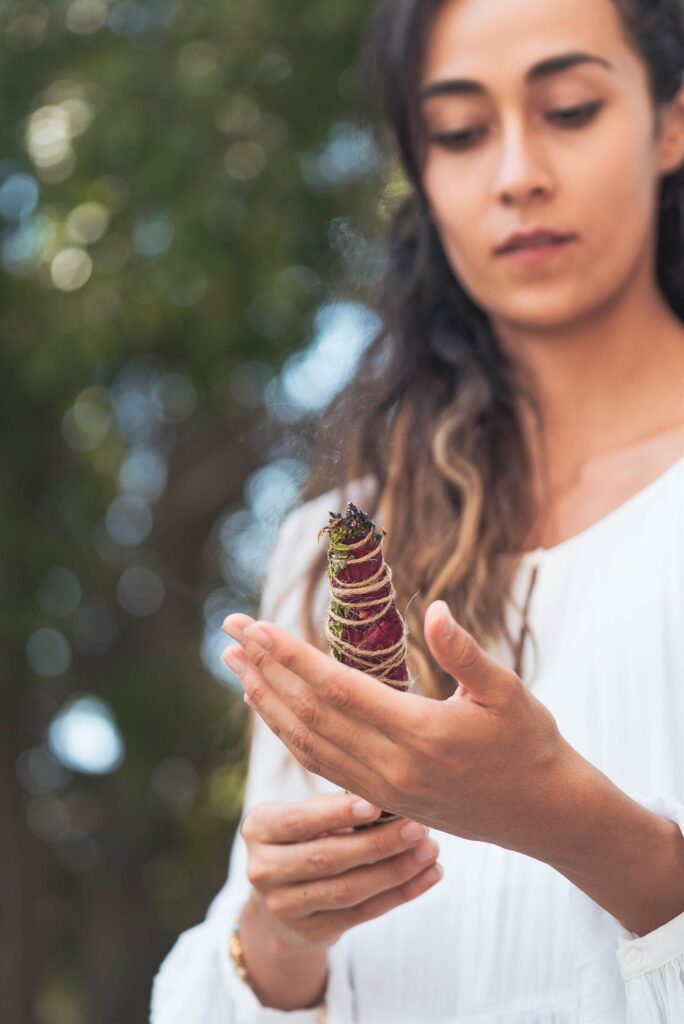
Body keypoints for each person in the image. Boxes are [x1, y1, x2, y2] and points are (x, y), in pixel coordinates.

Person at [150, 0, 684, 1020]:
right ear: (424, 173)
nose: (516, 172)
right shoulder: (336, 550)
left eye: (569, 108)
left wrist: (575, 823)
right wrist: (279, 933)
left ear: (670, 124)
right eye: (460, 132)